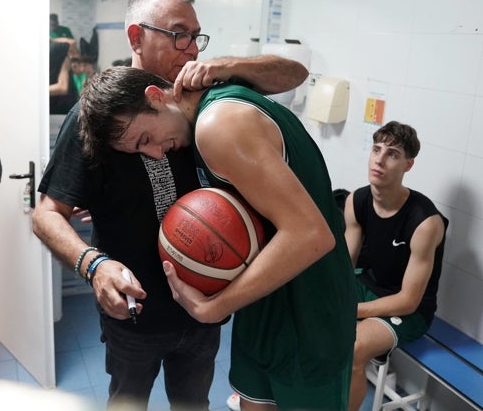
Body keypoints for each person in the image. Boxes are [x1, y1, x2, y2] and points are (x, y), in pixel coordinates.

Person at [32, 0, 309, 411]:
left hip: (208, 306)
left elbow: (294, 74)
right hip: (136, 316)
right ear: (136, 37)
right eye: (179, 33)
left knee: (193, 404)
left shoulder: (211, 95)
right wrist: (94, 266)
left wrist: (228, 64)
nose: (192, 48)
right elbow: (47, 212)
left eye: (197, 35)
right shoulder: (96, 118)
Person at [77, 65, 357, 411]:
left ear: (155, 96)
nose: (154, 153)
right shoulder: (206, 117)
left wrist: (212, 309)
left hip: (309, 309)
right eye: (139, 150)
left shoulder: (218, 125)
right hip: (263, 300)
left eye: (145, 139)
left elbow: (312, 236)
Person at [342, 121, 448, 411]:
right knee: (301, 309)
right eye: (377, 149)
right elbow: (344, 268)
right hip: (367, 286)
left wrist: (351, 311)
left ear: (408, 165)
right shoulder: (357, 200)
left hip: (409, 309)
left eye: (392, 154)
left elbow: (408, 301)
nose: (379, 159)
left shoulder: (424, 222)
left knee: (353, 349)